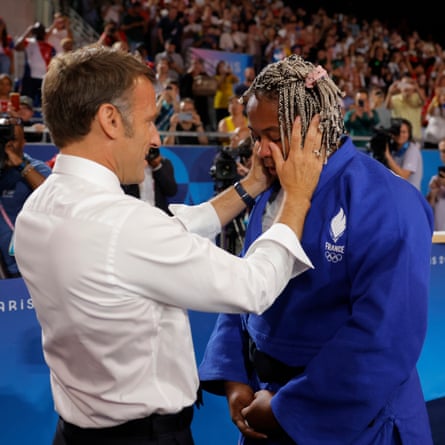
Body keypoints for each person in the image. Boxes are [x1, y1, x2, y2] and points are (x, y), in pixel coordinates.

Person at [13, 45, 325, 445]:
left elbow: (163, 234)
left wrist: (249, 187)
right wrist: (297, 196)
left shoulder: (38, 207)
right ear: (110, 119)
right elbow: (253, 286)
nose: (155, 136)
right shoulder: (124, 226)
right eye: (147, 121)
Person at [198, 54, 434, 445]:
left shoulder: (389, 201)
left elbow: (384, 336)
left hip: (351, 419)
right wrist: (235, 376)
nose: (261, 153)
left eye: (274, 136)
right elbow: (245, 286)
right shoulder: (270, 196)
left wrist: (287, 408)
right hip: (265, 403)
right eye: (256, 138)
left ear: (316, 128)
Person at [0, 115, 51, 278]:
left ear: (24, 143)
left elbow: (51, 195)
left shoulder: (35, 168)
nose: (8, 145)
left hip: (28, 268)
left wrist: (21, 164)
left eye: (14, 140)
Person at [122, 147, 178, 216]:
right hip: (135, 213)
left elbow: (171, 191)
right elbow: (123, 191)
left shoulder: (164, 163)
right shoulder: (127, 165)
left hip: (158, 213)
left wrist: (157, 167)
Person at [14, 22, 56, 108]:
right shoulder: (29, 42)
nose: (39, 33)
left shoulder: (50, 47)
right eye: (37, 30)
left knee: (44, 104)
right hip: (29, 78)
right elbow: (17, 47)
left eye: (41, 31)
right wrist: (28, 32)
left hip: (44, 79)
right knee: (26, 103)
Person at [384, 117, 423, 190]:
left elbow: (403, 176)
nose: (400, 135)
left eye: (404, 132)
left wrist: (387, 156)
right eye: (398, 132)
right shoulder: (392, 149)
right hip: (398, 193)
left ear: (409, 134)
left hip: (410, 195)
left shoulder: (412, 150)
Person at [426, 138, 445, 230]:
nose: (444, 155)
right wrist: (433, 193)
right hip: (439, 234)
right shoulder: (435, 179)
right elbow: (428, 209)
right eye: (442, 151)